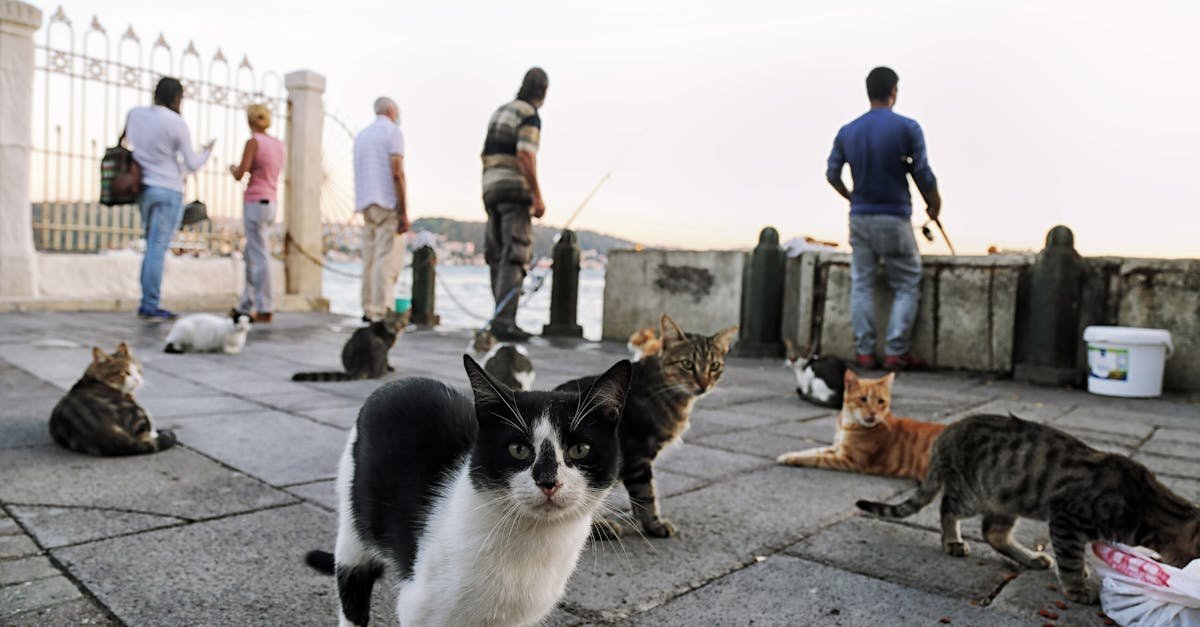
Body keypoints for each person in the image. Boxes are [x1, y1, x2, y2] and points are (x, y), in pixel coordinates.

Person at [826, 66, 942, 371]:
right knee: (906, 282)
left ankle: (865, 352)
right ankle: (895, 351)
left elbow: (831, 174)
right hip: (894, 216)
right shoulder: (907, 128)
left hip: (860, 217)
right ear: (894, 91)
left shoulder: (847, 131)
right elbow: (923, 173)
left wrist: (851, 196)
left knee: (861, 283)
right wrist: (934, 205)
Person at [124, 77, 214, 321]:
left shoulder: (135, 114)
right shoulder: (176, 123)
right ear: (177, 98)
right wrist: (207, 152)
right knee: (157, 249)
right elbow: (192, 164)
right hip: (168, 189)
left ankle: (148, 301)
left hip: (144, 189)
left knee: (150, 246)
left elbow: (128, 142)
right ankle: (150, 304)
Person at [480, 67, 548, 341]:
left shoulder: (501, 111)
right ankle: (505, 321)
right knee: (516, 254)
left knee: (496, 254)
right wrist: (537, 194)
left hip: (490, 187)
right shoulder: (529, 115)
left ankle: (499, 314)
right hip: (513, 190)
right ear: (542, 92)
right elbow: (525, 154)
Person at [353, 97, 410, 322]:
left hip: (366, 202)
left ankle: (368, 307)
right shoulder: (392, 132)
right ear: (392, 111)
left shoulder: (362, 135)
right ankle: (381, 309)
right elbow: (397, 173)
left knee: (370, 259)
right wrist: (403, 210)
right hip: (386, 202)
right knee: (386, 259)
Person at [229, 104, 286, 323]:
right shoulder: (279, 145)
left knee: (259, 256)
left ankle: (264, 306)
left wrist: (233, 169)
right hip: (271, 202)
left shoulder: (254, 142)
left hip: (254, 202)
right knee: (252, 254)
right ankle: (247, 304)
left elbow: (241, 173)